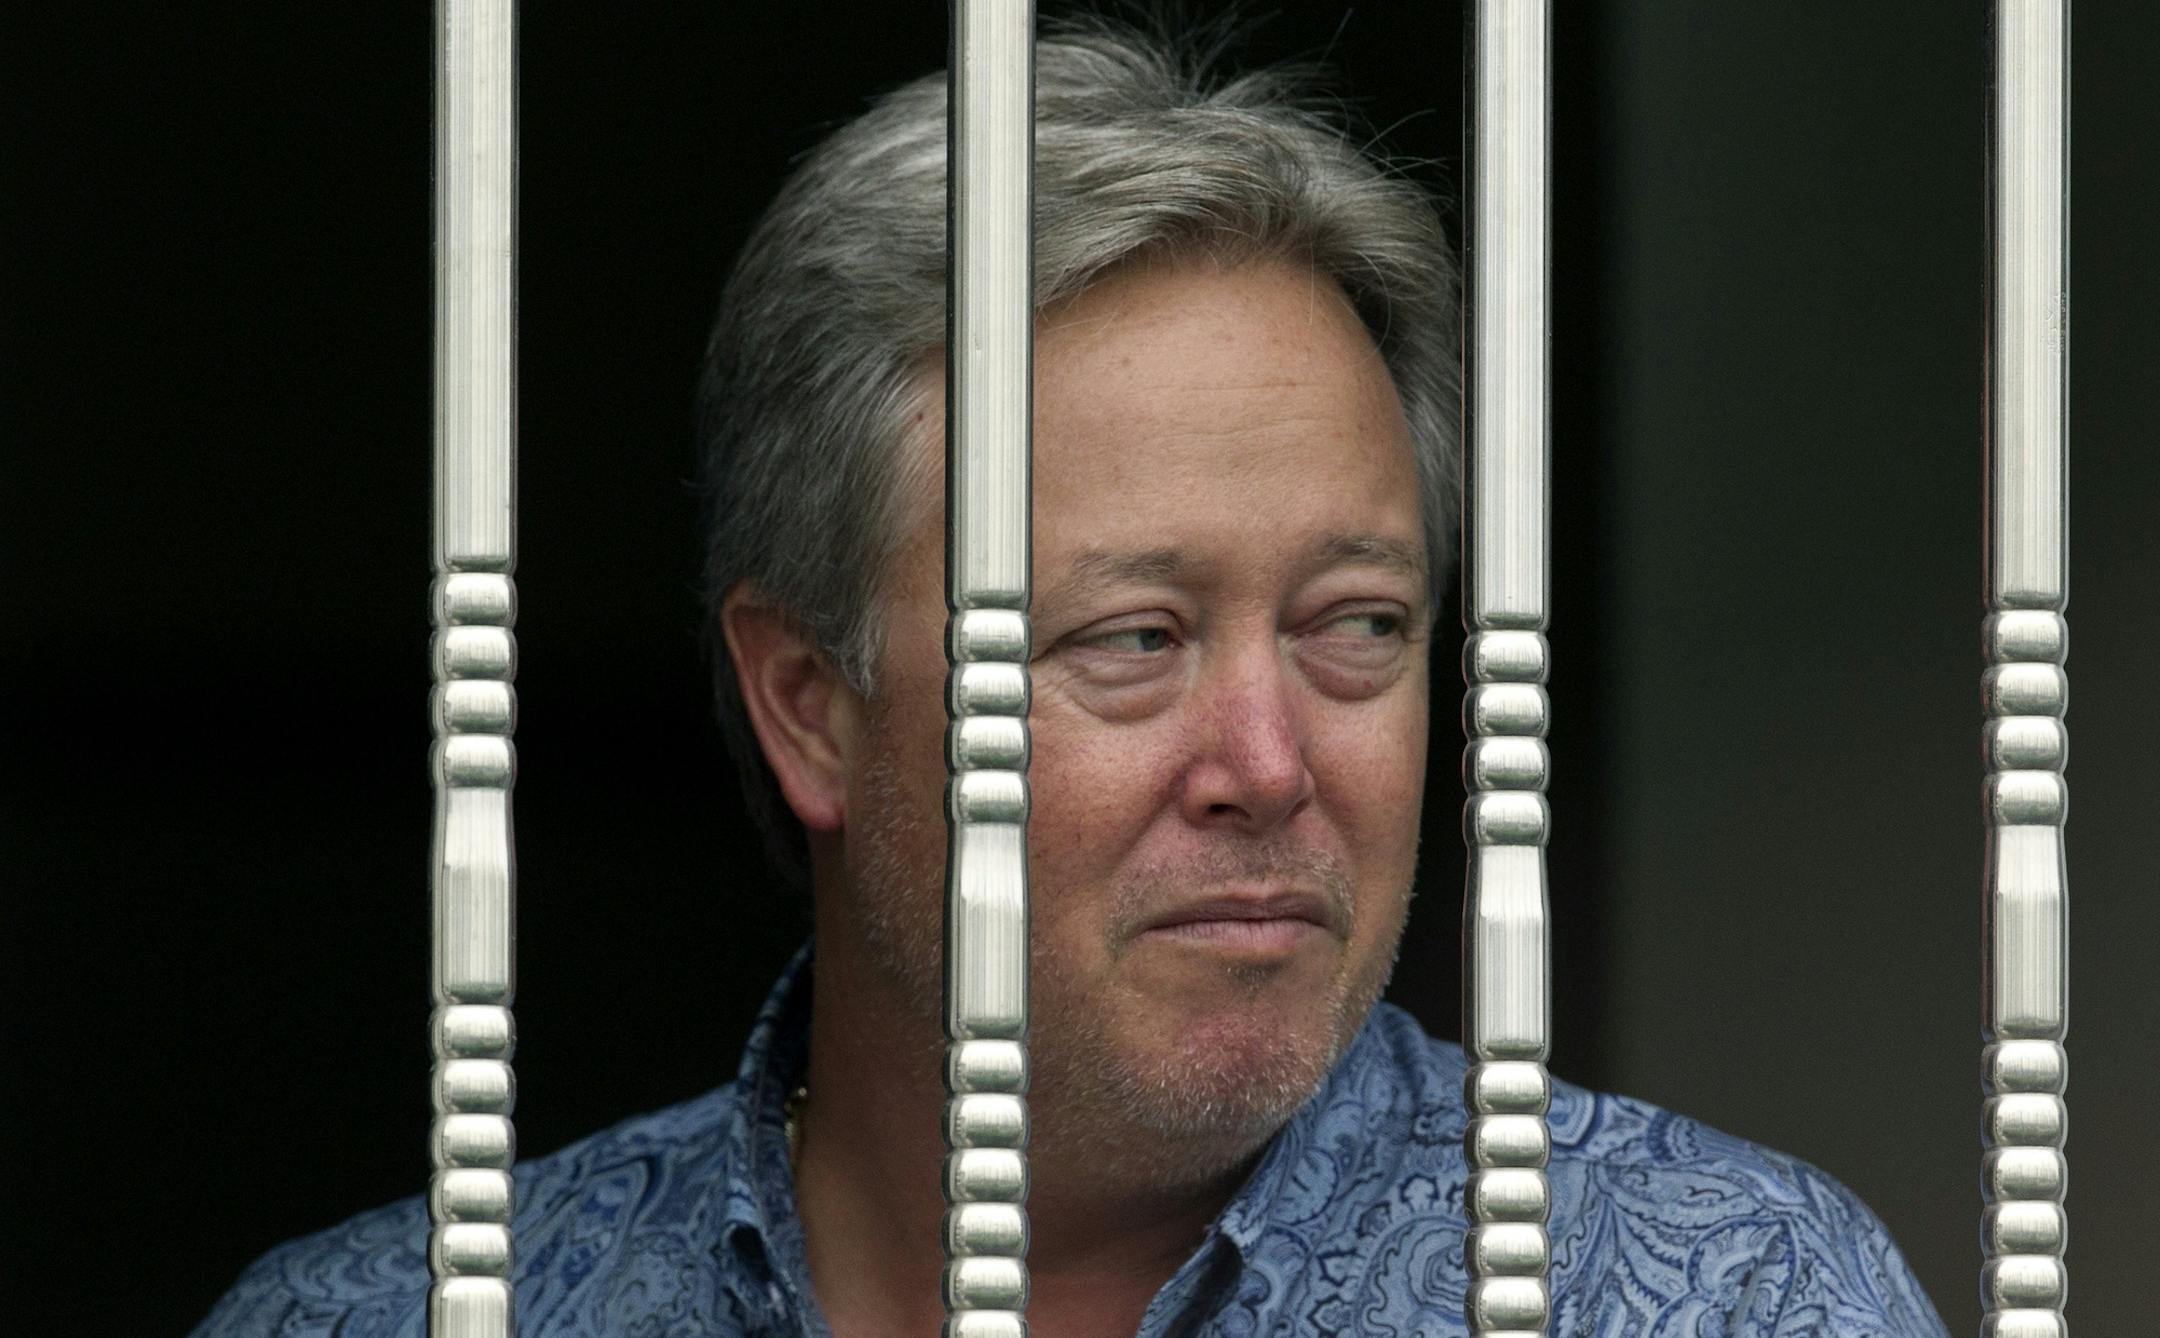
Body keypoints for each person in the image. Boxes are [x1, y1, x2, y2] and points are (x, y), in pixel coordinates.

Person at [195, 13, 1949, 1336]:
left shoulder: (1733, 1293)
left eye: (1357, 626)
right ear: (807, 698)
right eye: (1134, 640)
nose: (1269, 761)